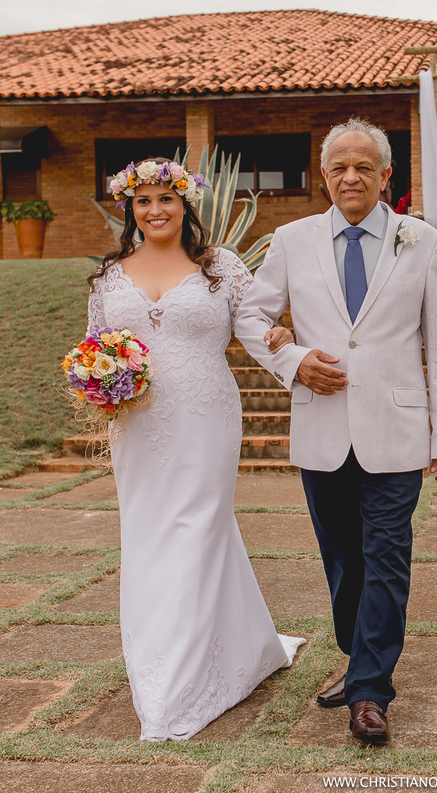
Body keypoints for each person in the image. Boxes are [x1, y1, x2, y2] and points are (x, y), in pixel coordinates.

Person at [235, 118, 437, 745]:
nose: (351, 177)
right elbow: (251, 315)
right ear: (324, 176)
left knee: (387, 559)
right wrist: (292, 362)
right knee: (343, 563)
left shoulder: (423, 242)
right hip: (323, 428)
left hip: (397, 429)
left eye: (364, 166)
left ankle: (369, 691)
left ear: (386, 175)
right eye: (339, 167)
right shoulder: (291, 240)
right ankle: (360, 654)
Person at [85, 157, 305, 741]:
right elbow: (93, 345)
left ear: (186, 205)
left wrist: (296, 356)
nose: (155, 211)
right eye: (143, 202)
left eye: (166, 199)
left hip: (206, 416)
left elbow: (259, 329)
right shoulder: (110, 276)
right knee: (149, 531)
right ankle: (227, 644)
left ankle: (176, 688)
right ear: (128, 209)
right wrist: (97, 378)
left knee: (199, 528)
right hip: (134, 422)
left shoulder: (221, 268)